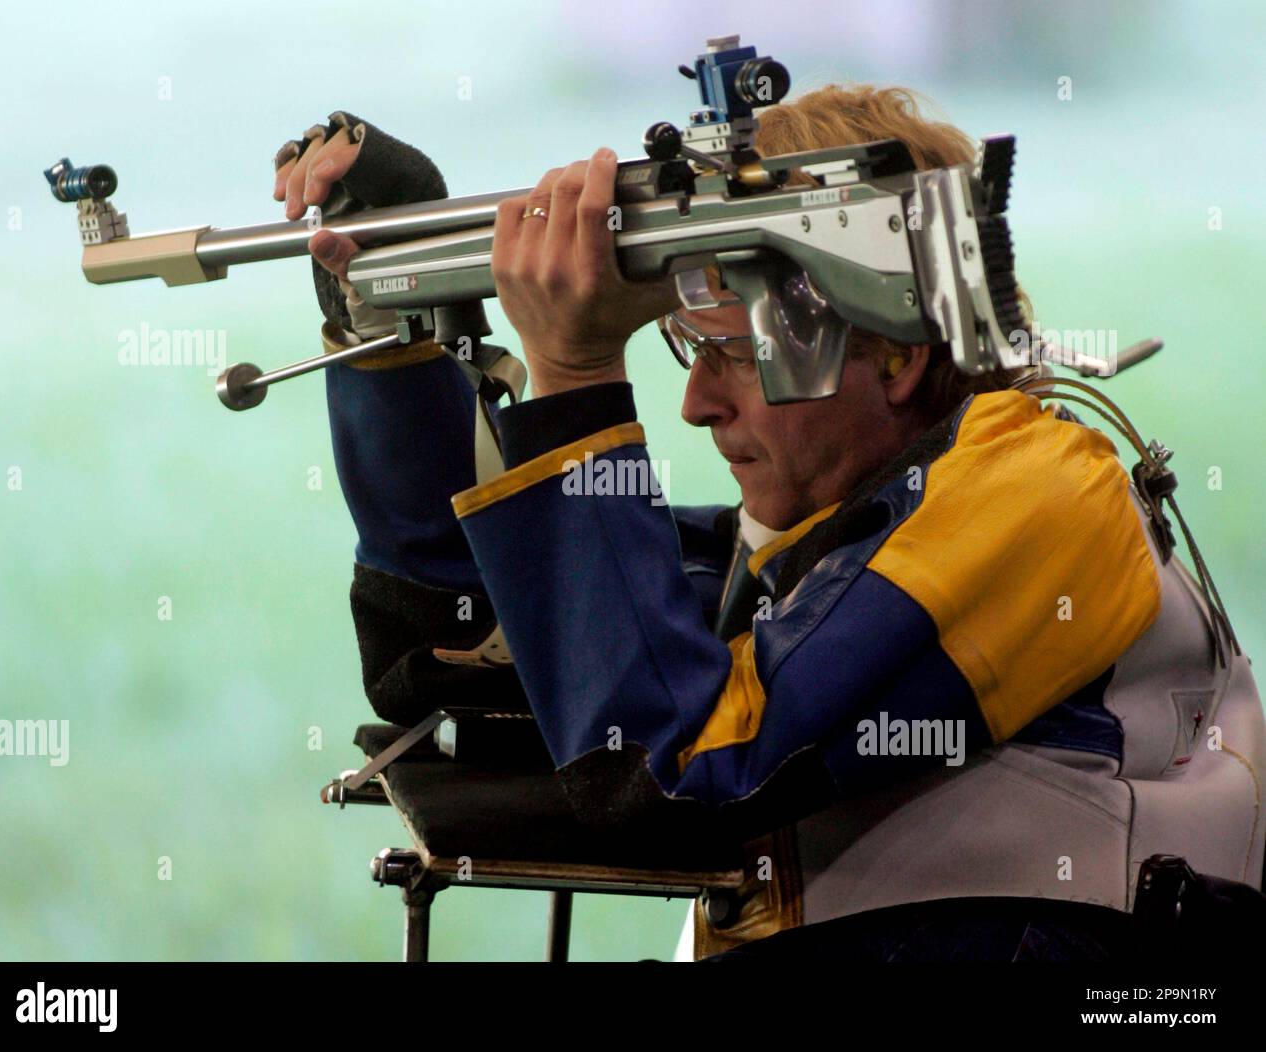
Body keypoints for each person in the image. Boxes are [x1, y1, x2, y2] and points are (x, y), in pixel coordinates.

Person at [274, 87, 1266, 961]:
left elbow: (684, 775)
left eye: (734, 350)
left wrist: (575, 381)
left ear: (894, 355)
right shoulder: (822, 550)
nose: (696, 403)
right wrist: (386, 307)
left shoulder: (1040, 495)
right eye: (684, 347)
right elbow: (457, 643)